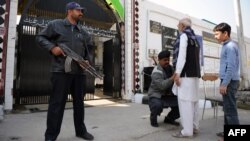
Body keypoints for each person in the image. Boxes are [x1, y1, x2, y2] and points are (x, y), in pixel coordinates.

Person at [36, 2, 94, 141]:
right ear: (69, 11)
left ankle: (80, 131)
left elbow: (90, 49)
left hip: (79, 73)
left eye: (82, 10)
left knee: (79, 104)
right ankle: (51, 136)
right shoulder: (56, 25)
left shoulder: (83, 31)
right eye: (78, 10)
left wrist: (87, 60)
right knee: (57, 104)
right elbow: (40, 37)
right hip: (60, 71)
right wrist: (52, 48)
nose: (81, 13)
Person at [172, 18, 201, 138]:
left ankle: (187, 131)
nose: (177, 26)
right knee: (193, 101)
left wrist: (177, 73)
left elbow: (182, 56)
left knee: (185, 102)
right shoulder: (195, 38)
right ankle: (194, 127)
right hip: (194, 75)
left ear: (183, 25)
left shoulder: (184, 36)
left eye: (178, 24)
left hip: (185, 75)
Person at [213, 23, 240, 138]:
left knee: (231, 111)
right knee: (227, 109)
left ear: (225, 33)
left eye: (217, 34)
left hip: (229, 81)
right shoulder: (226, 45)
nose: (215, 36)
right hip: (227, 80)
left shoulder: (230, 47)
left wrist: (224, 83)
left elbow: (231, 67)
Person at [148, 50, 180, 127]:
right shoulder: (156, 71)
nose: (167, 62)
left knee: (181, 104)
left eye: (168, 60)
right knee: (157, 105)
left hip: (168, 95)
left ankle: (169, 118)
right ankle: (153, 118)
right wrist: (172, 78)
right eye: (165, 60)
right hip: (156, 95)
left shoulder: (171, 68)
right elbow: (162, 86)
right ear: (159, 60)